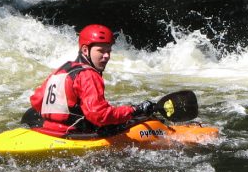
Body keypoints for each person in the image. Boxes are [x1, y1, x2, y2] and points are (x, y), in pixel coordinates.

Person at [27, 24, 155, 136]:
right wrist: (134, 110)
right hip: (73, 135)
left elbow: (36, 101)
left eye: (109, 51)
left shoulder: (61, 70)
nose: (107, 56)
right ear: (85, 50)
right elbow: (99, 115)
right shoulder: (88, 74)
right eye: (101, 51)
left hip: (48, 131)